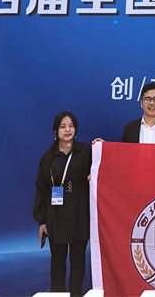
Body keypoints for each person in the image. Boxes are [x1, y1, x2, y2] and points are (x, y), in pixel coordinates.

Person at [33, 111, 92, 297]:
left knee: (78, 260)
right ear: (55, 130)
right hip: (56, 215)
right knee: (57, 261)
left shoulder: (87, 152)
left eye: (71, 126)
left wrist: (101, 150)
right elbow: (41, 189)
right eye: (63, 126)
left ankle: (75, 294)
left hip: (80, 214)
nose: (68, 130)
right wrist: (42, 221)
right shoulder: (48, 157)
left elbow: (103, 170)